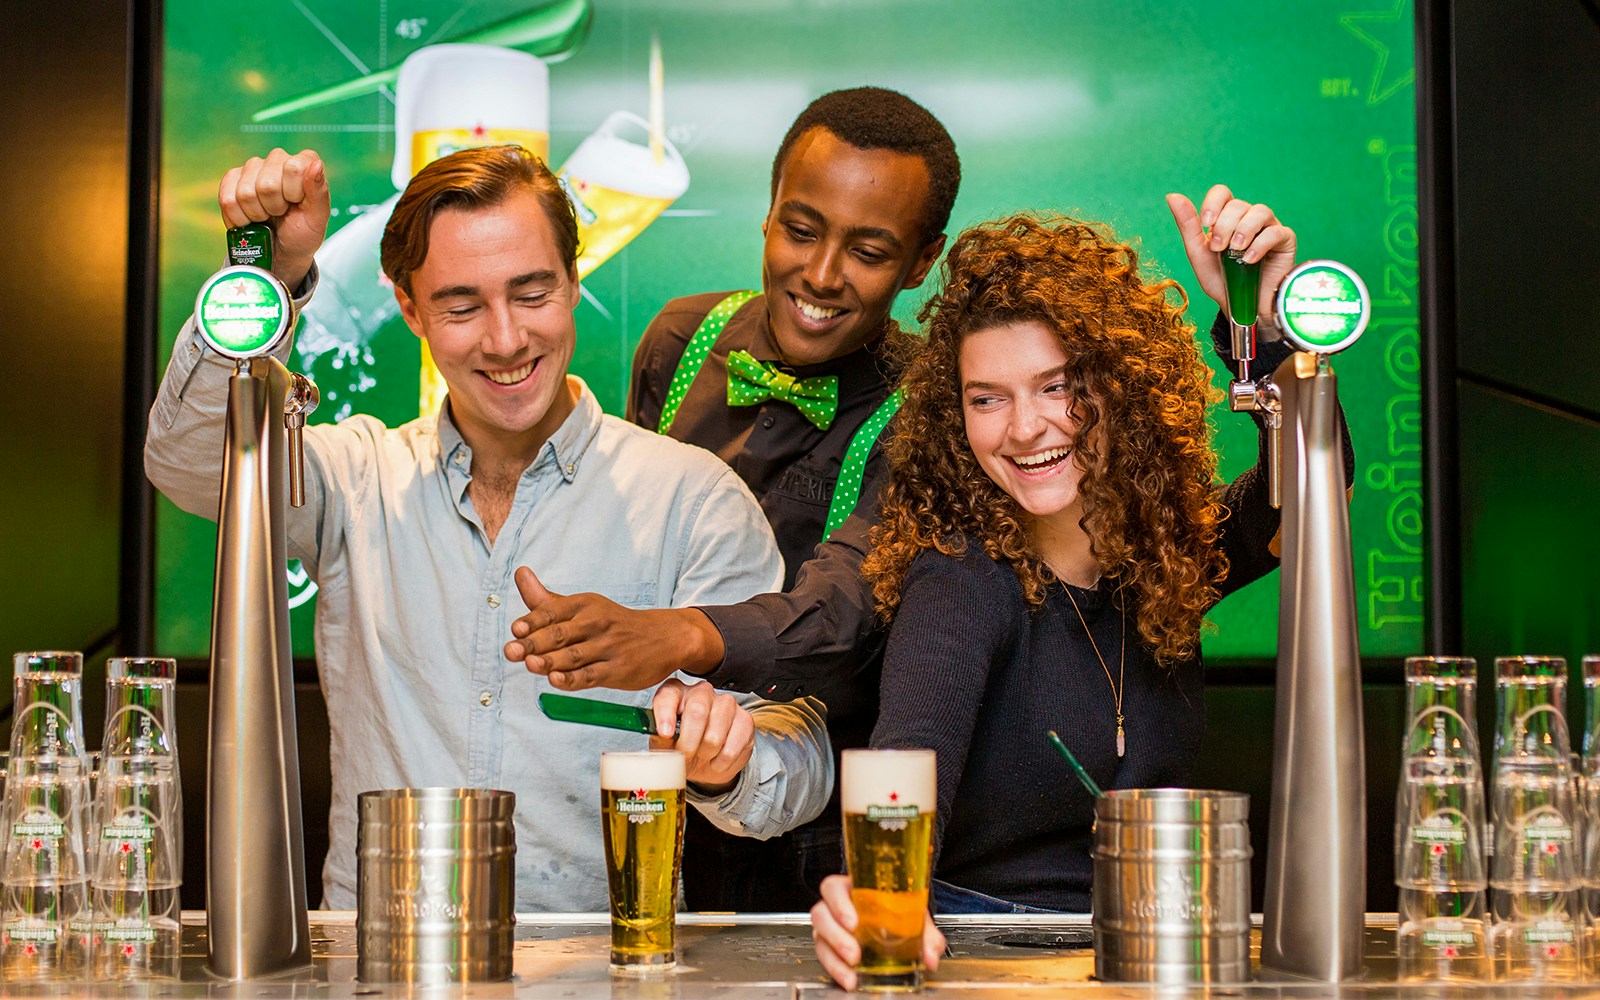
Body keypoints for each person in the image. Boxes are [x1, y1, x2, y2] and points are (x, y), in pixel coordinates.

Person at [145, 145, 833, 911]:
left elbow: (796, 771)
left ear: (574, 282)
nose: (505, 341)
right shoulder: (356, 480)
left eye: (532, 293)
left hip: (598, 971)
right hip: (383, 961)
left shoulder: (690, 497)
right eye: (462, 306)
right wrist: (265, 281)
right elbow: (188, 459)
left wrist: (727, 758)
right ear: (409, 309)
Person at [810, 190, 1343, 987]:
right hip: (991, 958)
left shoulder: (1163, 555)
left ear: (1122, 385)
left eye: (1057, 386)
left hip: (1158, 944)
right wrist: (880, 894)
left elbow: (1308, 495)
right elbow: (904, 764)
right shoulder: (960, 576)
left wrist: (1269, 333)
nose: (1024, 428)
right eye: (987, 398)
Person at [505, 87, 960, 910]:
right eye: (801, 228)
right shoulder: (681, 338)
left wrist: (678, 634)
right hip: (663, 784)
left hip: (825, 811)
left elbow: (847, 609)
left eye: (868, 250)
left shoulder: (938, 399)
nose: (821, 274)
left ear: (922, 262)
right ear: (768, 215)